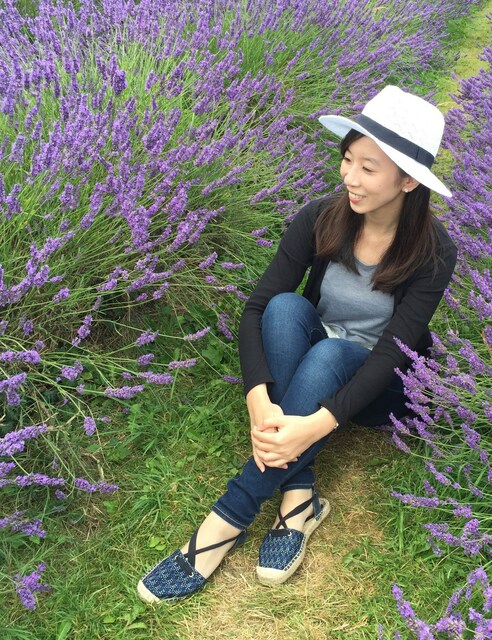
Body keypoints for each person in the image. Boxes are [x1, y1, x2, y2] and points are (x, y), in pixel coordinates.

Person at [137, 85, 457, 603]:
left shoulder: (434, 251)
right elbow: (257, 309)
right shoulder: (322, 216)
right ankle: (298, 497)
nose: (349, 177)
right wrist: (257, 397)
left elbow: (392, 353)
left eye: (368, 168)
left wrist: (316, 424)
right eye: (347, 159)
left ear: (407, 180)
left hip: (378, 383)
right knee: (286, 307)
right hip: (315, 351)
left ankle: (224, 522)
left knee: (331, 352)